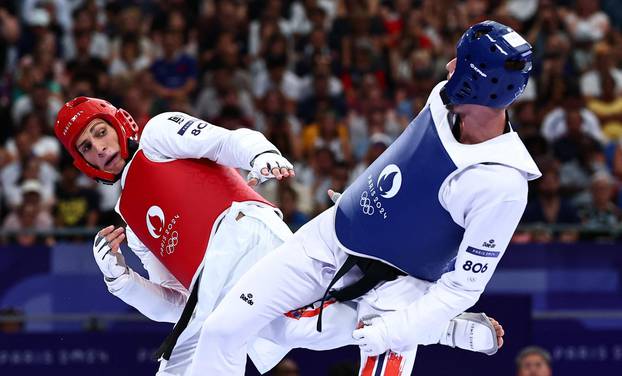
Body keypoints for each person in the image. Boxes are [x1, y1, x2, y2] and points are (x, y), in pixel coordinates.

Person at [54, 96, 504, 375]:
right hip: (217, 282)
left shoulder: (157, 136)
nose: (100, 147)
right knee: (293, 328)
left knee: (194, 355)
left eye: (100, 132)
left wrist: (261, 154)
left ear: (119, 123)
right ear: (84, 163)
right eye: (87, 148)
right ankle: (438, 328)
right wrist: (122, 282)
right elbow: (177, 305)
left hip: (241, 233)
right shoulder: (129, 224)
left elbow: (225, 141)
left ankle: (418, 316)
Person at [189, 20, 540, 375]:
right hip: (336, 235)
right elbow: (408, 164)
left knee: (297, 330)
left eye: (459, 63)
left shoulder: (502, 184)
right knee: (226, 328)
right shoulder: (441, 98)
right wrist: (372, 207)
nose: (449, 67)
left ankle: (430, 327)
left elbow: (463, 288)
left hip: (399, 295)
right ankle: (440, 330)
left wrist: (394, 331)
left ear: (480, 82)